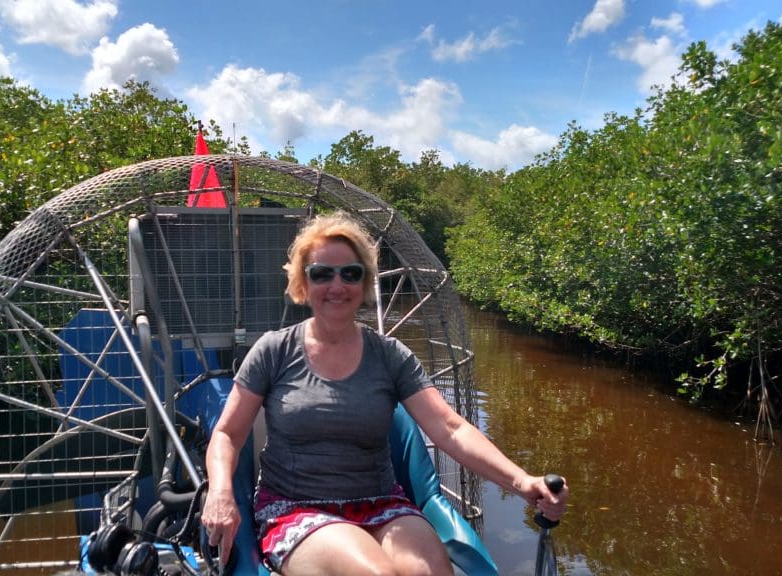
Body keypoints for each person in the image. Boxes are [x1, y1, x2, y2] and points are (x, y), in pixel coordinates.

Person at [201, 211, 568, 576]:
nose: (337, 285)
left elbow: (450, 428)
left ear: (364, 282)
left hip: (382, 503)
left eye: (350, 273)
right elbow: (228, 434)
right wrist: (220, 492)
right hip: (298, 507)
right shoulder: (272, 351)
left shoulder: (390, 355)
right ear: (302, 282)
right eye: (321, 273)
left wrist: (523, 482)